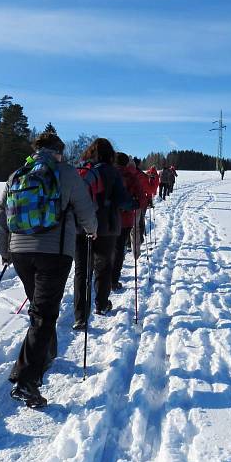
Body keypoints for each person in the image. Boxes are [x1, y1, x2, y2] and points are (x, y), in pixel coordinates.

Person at [0, 130, 97, 407]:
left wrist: (5, 250)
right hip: (53, 251)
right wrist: (92, 230)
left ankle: (44, 356)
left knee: (40, 310)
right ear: (59, 151)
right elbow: (85, 209)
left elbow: (2, 215)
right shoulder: (66, 173)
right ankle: (26, 380)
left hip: (20, 252)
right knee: (44, 313)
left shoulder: (18, 173)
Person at [73, 138, 132, 329]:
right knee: (103, 267)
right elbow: (122, 200)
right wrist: (133, 204)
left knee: (82, 271)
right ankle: (101, 304)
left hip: (80, 227)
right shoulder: (112, 172)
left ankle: (80, 315)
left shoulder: (80, 170)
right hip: (106, 228)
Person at [112, 153, 150, 289]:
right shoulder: (132, 176)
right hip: (126, 218)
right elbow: (142, 196)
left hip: (106, 218)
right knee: (119, 248)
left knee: (108, 249)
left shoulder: (106, 174)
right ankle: (114, 279)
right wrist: (137, 203)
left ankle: (103, 279)